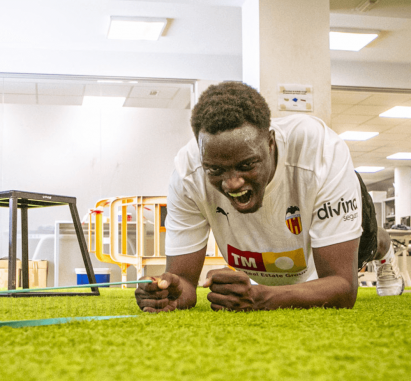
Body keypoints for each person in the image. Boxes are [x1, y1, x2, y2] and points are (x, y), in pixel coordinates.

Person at [136, 81, 405, 313]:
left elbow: (344, 287)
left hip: (321, 201)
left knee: (368, 245)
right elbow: (183, 280)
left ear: (271, 143)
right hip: (280, 250)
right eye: (215, 169)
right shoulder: (188, 173)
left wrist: (264, 297)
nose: (232, 183)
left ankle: (385, 252)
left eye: (246, 165)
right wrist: (170, 290)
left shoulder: (321, 152)